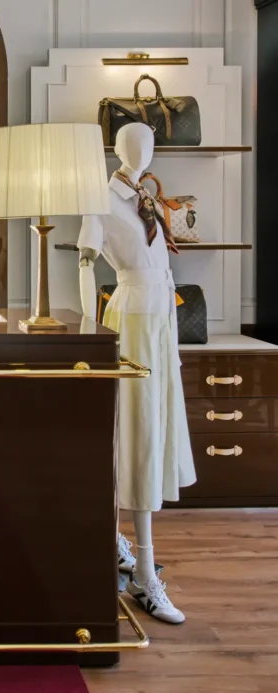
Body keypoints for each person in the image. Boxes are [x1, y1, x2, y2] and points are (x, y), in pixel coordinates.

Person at [78, 122, 196, 624]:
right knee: (134, 433)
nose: (144, 151)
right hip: (130, 321)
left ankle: (120, 545)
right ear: (117, 149)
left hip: (159, 320)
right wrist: (88, 329)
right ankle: (145, 577)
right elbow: (85, 263)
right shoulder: (99, 199)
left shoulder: (145, 197)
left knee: (150, 430)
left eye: (150, 141)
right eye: (134, 142)